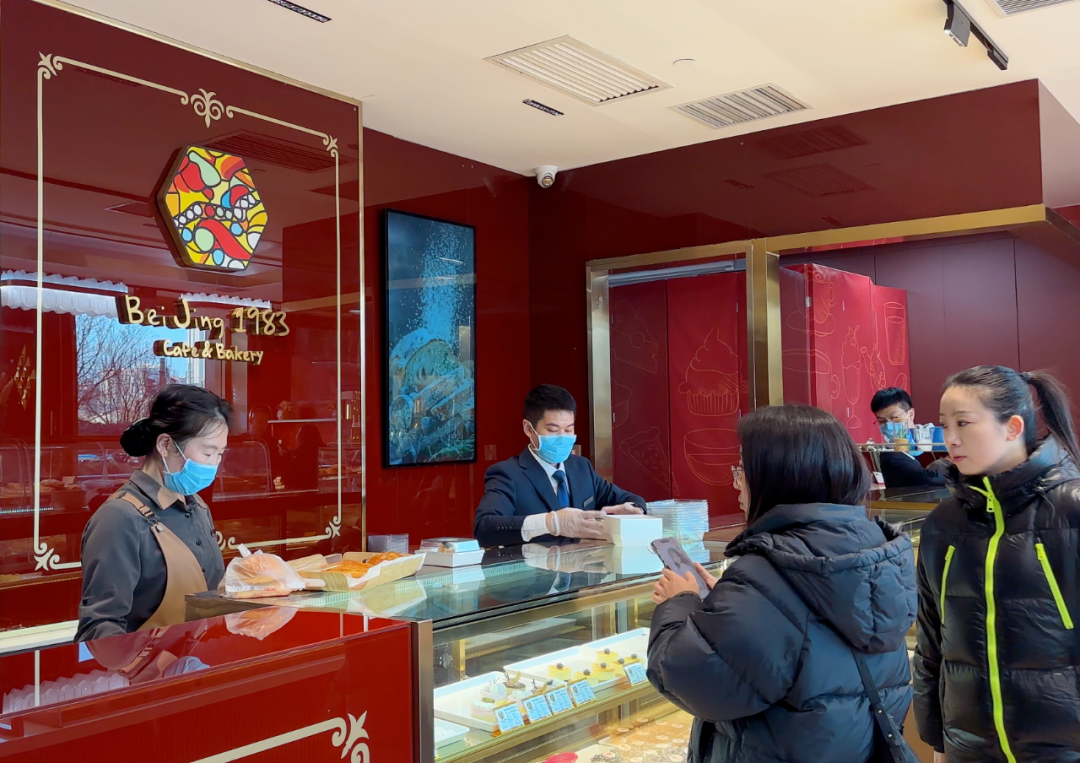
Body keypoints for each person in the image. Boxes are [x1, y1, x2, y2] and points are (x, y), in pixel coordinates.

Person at [647, 405, 917, 763]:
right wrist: (732, 601)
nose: (736, 482)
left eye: (742, 469)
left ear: (777, 477)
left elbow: (694, 679)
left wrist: (679, 602)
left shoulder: (767, 572)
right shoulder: (875, 550)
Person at [913, 366, 1080, 763]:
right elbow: (931, 643)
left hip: (1062, 747)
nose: (950, 439)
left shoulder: (1070, 510)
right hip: (970, 746)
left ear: (1012, 427)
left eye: (964, 423)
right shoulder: (942, 525)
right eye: (944, 425)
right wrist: (937, 741)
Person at [76, 385, 232, 642]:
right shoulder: (119, 518)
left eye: (220, 454)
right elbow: (98, 628)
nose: (214, 463)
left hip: (203, 660)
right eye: (207, 452)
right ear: (165, 444)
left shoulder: (198, 507)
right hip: (148, 666)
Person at [473, 384, 646, 547]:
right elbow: (485, 527)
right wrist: (550, 523)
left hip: (584, 566)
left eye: (569, 429)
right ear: (528, 429)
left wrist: (634, 508)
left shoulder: (581, 467)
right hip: (535, 568)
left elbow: (628, 499)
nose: (562, 437)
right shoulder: (508, 474)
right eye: (553, 430)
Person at [872, 387, 948, 488]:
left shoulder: (938, 437)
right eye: (882, 421)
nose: (888, 425)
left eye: (894, 418)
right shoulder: (889, 453)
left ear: (911, 414)